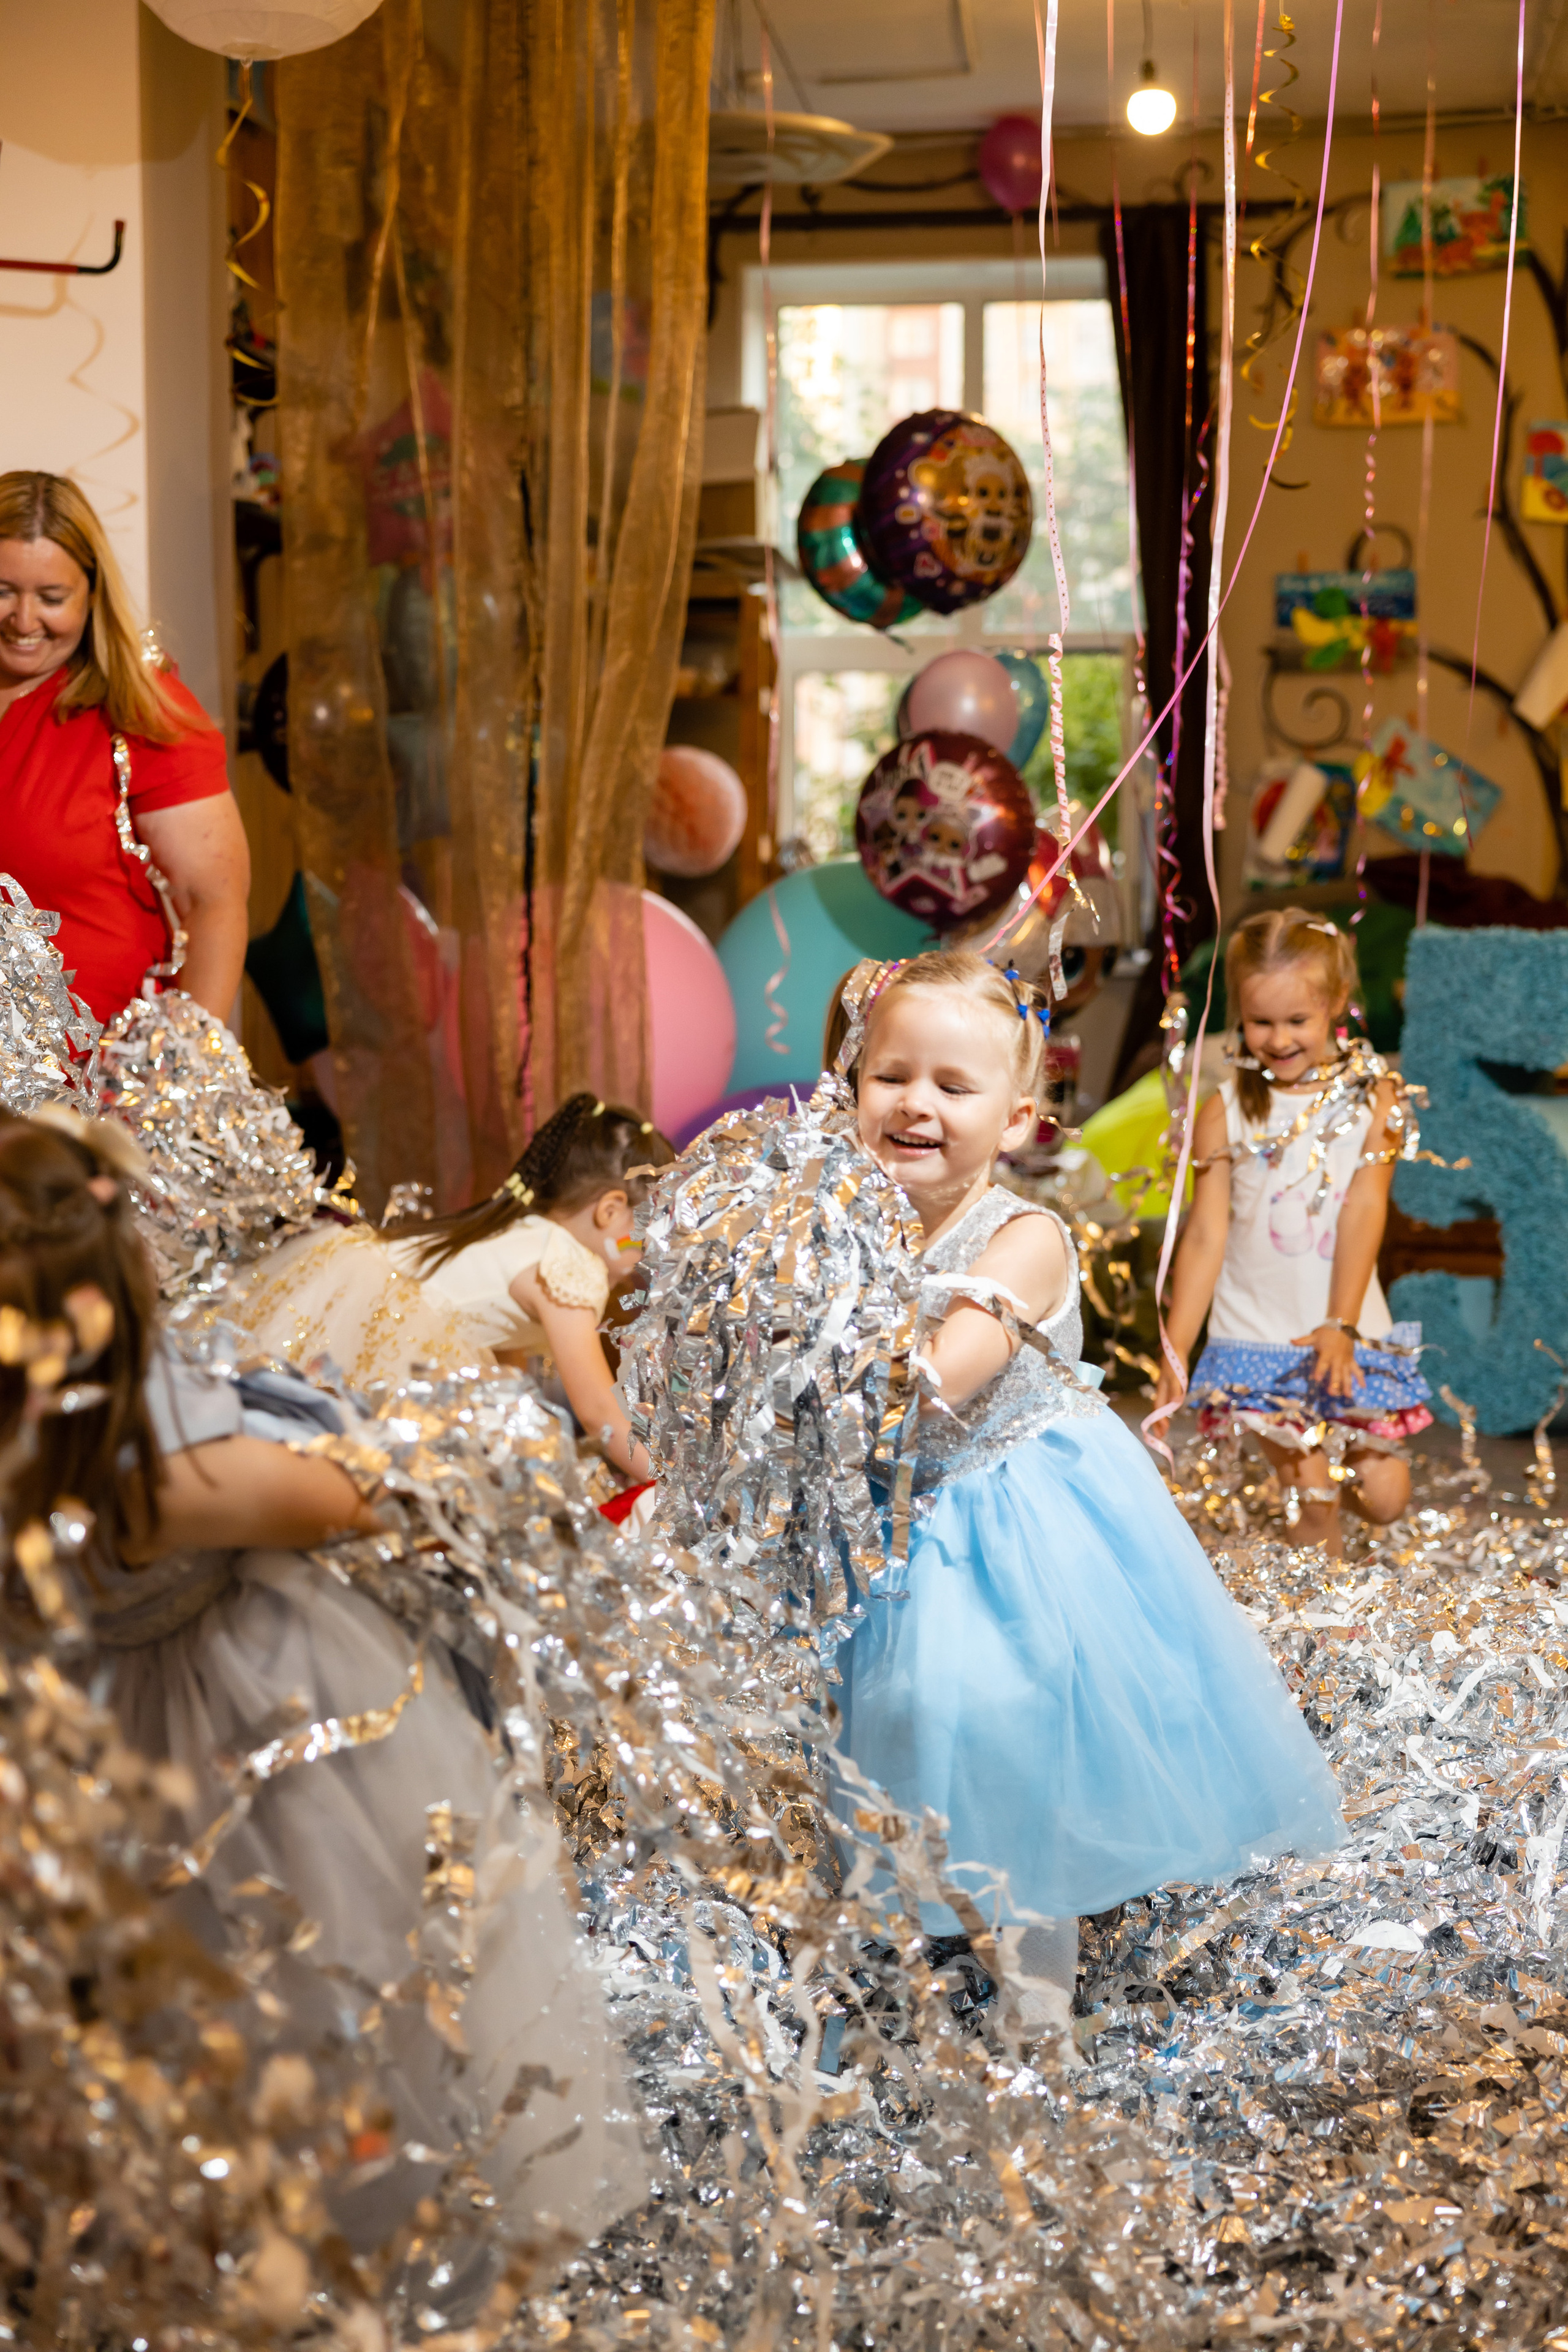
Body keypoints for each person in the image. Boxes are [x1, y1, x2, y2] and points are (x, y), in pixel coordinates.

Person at [0, 1109, 649, 2283]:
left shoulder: (112, 1474)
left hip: (164, 1729)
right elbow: (353, 1499)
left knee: (228, 2009)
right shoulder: (164, 1480)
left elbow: (344, 1497)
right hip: (184, 1725)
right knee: (247, 2003)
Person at [824, 951, 1346, 2046]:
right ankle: (896, 1929)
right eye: (892, 1077)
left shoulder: (1024, 1238)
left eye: (953, 1088)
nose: (917, 1103)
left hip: (1018, 1523)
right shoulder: (849, 1228)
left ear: (1015, 1122)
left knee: (1016, 1731)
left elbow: (933, 1384)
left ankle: (1035, 1986)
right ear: (850, 1085)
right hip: (899, 1518)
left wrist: (800, 1346)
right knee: (903, 1716)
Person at [1153, 910, 1432, 1553]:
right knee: (1314, 1504)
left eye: (1296, 1021)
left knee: (1384, 1501)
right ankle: (1326, 1639)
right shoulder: (1224, 1111)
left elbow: (1365, 1210)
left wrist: (1340, 1326)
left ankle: (1328, 1559)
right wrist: (1177, 1344)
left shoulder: (1376, 1100)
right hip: (1256, 1335)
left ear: (1336, 1002)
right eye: (1259, 1022)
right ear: (1239, 1014)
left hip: (1348, 1329)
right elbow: (1205, 1234)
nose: (1277, 1040)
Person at [229, 1095, 673, 1482]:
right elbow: (598, 1411)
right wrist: (668, 1485)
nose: (647, 1252)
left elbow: (501, 1367)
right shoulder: (574, 1266)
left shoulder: (527, 1231)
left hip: (350, 1287)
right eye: (647, 1232)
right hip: (386, 1329)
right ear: (611, 1212)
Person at [0, 471, 250, 1029]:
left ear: (92, 594)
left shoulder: (139, 707)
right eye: (2, 591)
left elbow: (214, 903)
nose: (22, 620)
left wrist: (191, 1068)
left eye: (51, 597)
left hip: (94, 1093)